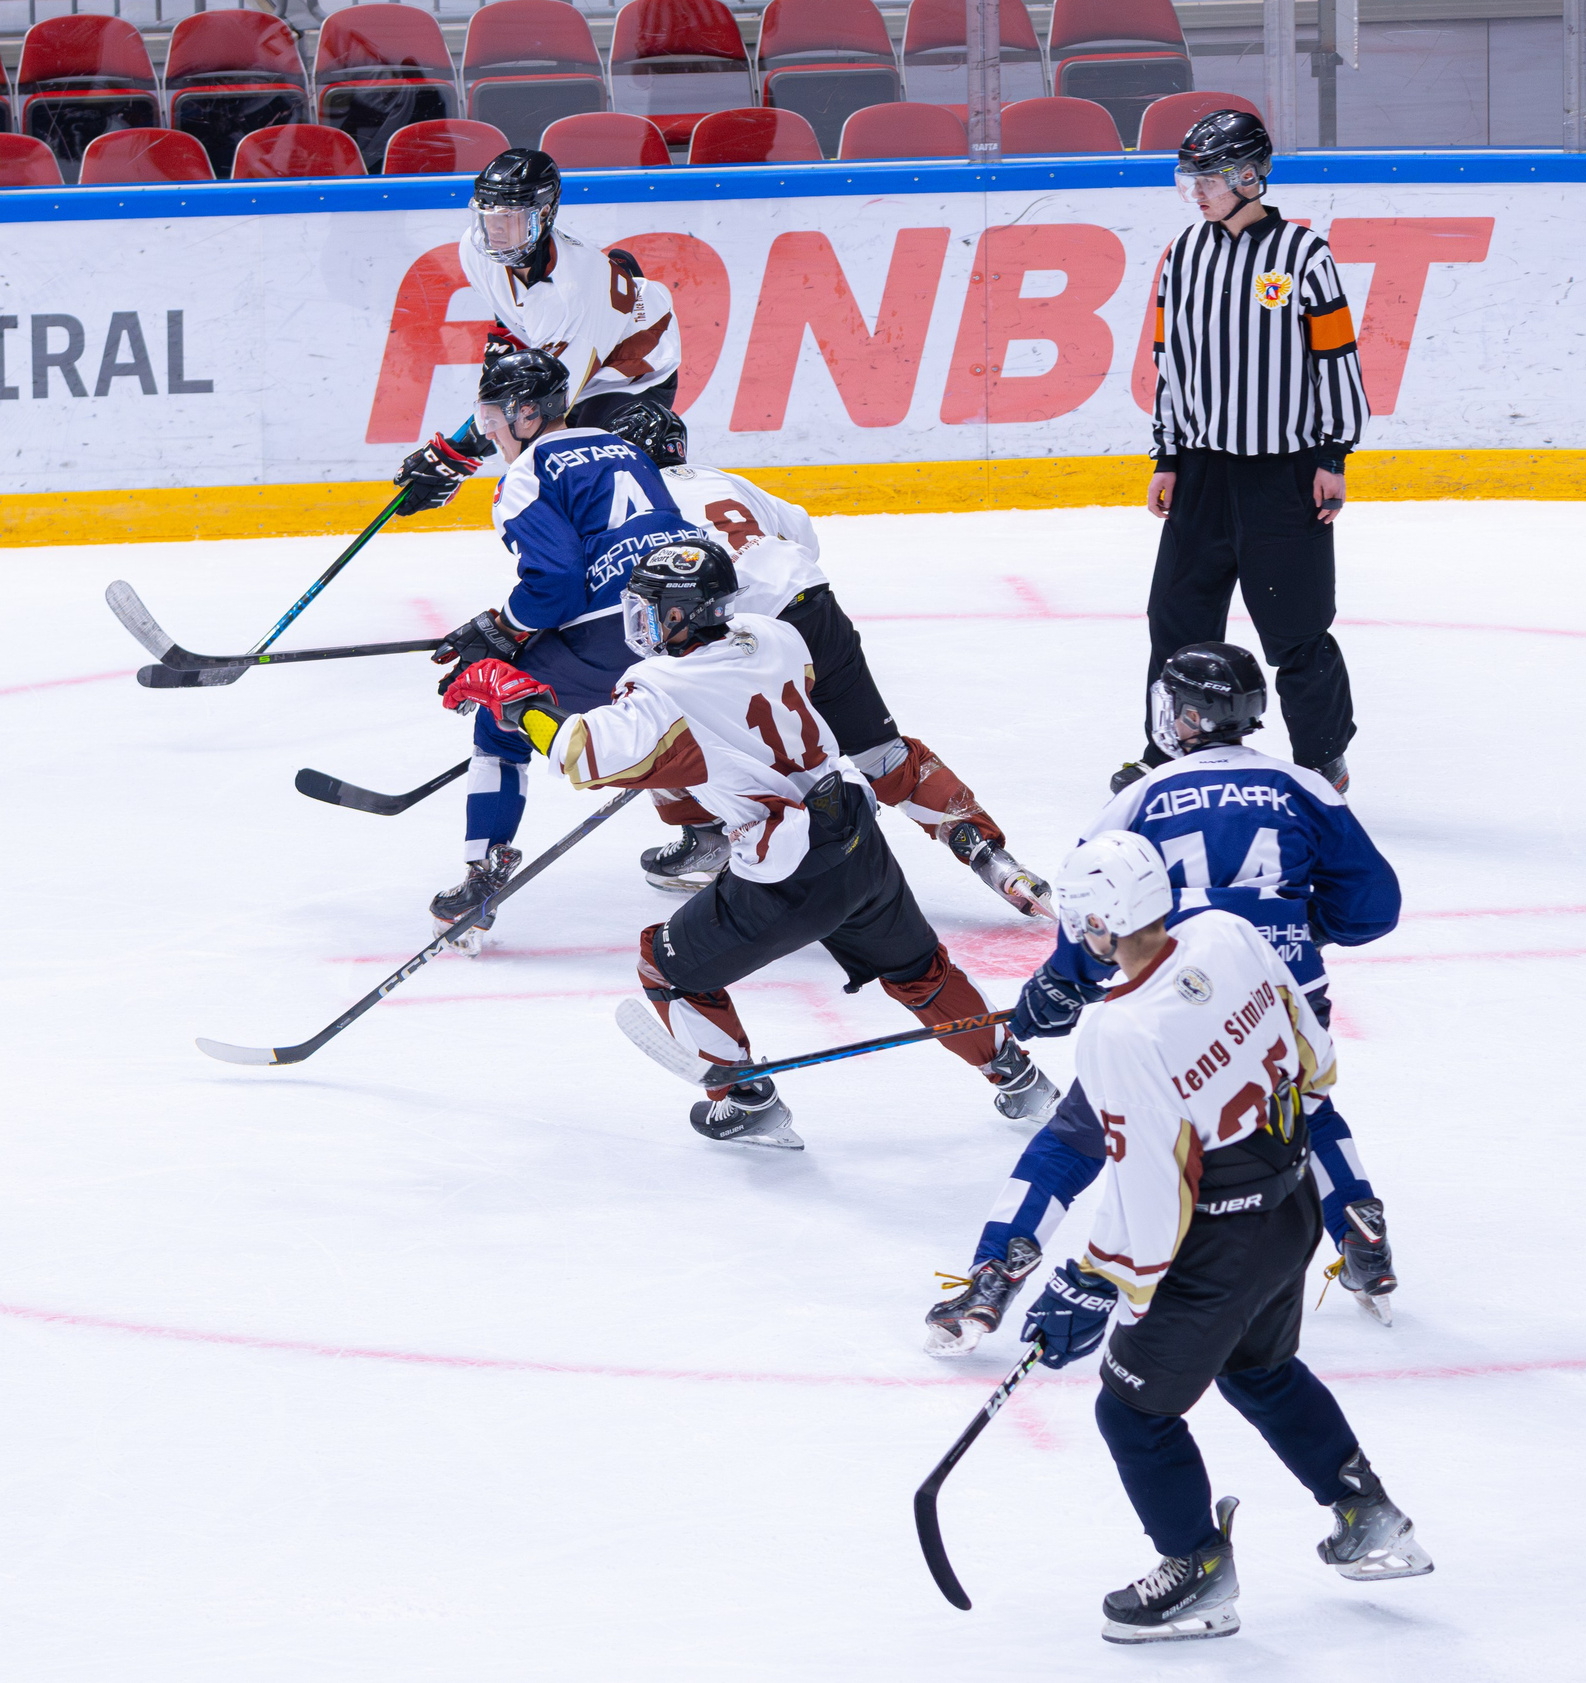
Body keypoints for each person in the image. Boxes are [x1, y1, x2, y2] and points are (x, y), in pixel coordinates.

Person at [439, 541, 1060, 1147]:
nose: (640, 619)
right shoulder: (776, 635)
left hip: (788, 868)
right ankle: (1018, 1076)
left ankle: (745, 1102)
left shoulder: (658, 688)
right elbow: (772, 699)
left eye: (652, 606)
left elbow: (578, 752)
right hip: (857, 836)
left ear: (682, 613)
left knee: (667, 968)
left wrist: (513, 696)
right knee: (920, 972)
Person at [1013, 832, 1430, 1644]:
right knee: (1261, 1367)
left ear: (1100, 921)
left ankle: (1196, 1572)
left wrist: (1096, 1278)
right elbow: (1313, 1051)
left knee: (1132, 1412)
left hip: (1220, 1244)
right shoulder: (1223, 930)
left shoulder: (1117, 1030)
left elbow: (1152, 1183)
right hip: (1292, 1202)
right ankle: (1368, 1512)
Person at [928, 643, 1400, 1353]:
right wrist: (1297, 927)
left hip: (1178, 1000)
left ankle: (998, 1269)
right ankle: (1360, 1222)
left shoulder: (1140, 795)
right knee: (1296, 1103)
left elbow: (1095, 906)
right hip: (1280, 987)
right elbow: (1374, 904)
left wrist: (1061, 984)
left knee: (1080, 1134)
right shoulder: (1305, 786)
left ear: (1182, 714)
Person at [608, 400, 1052, 919]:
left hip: (741, 635)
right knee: (880, 753)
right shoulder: (723, 480)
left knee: (666, 721)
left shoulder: (634, 503)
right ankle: (994, 858)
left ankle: (710, 838)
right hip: (812, 607)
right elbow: (803, 538)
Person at [1120, 109, 1369, 797]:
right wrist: (1166, 456)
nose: (1196, 193)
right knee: (1175, 620)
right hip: (1200, 474)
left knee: (1296, 630)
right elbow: (1169, 361)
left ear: (1249, 177)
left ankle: (1321, 760)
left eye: (1209, 179)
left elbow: (1335, 360)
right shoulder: (1182, 255)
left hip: (1282, 477)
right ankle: (1165, 751)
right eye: (1189, 179)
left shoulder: (1304, 257)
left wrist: (1333, 454)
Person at [423, 349, 705, 949]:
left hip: (619, 628)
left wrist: (505, 628)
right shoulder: (623, 446)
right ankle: (728, 832)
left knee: (500, 715)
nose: (490, 427)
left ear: (528, 413)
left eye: (496, 415)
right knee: (689, 722)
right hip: (696, 611)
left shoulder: (526, 473)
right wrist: (514, 623)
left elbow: (555, 585)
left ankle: (484, 873)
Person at [390, 149, 683, 517]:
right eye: (486, 216)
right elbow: (513, 316)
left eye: (508, 218)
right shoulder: (475, 247)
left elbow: (542, 402)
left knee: (581, 480)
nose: (493, 229)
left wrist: (457, 453)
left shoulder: (572, 295)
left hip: (631, 371)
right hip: (579, 347)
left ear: (543, 214)